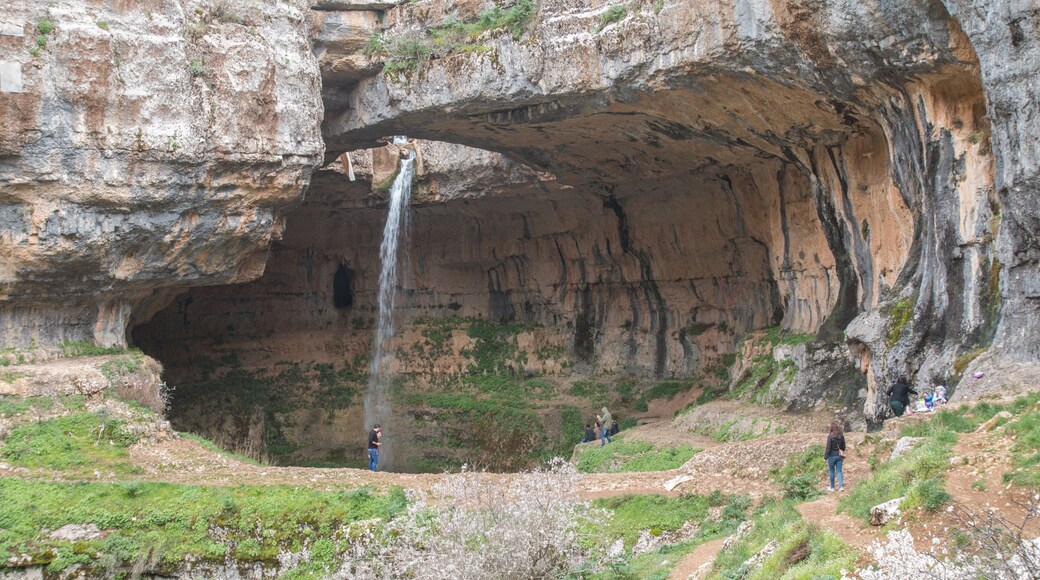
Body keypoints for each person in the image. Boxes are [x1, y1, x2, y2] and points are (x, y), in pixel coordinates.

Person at [824, 421, 846, 492]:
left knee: (831, 471)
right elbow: (843, 447)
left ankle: (832, 487)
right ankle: (841, 487)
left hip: (831, 456)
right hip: (839, 456)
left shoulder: (830, 436)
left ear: (831, 429)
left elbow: (828, 448)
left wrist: (825, 457)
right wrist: (840, 451)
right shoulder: (841, 436)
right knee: (839, 471)